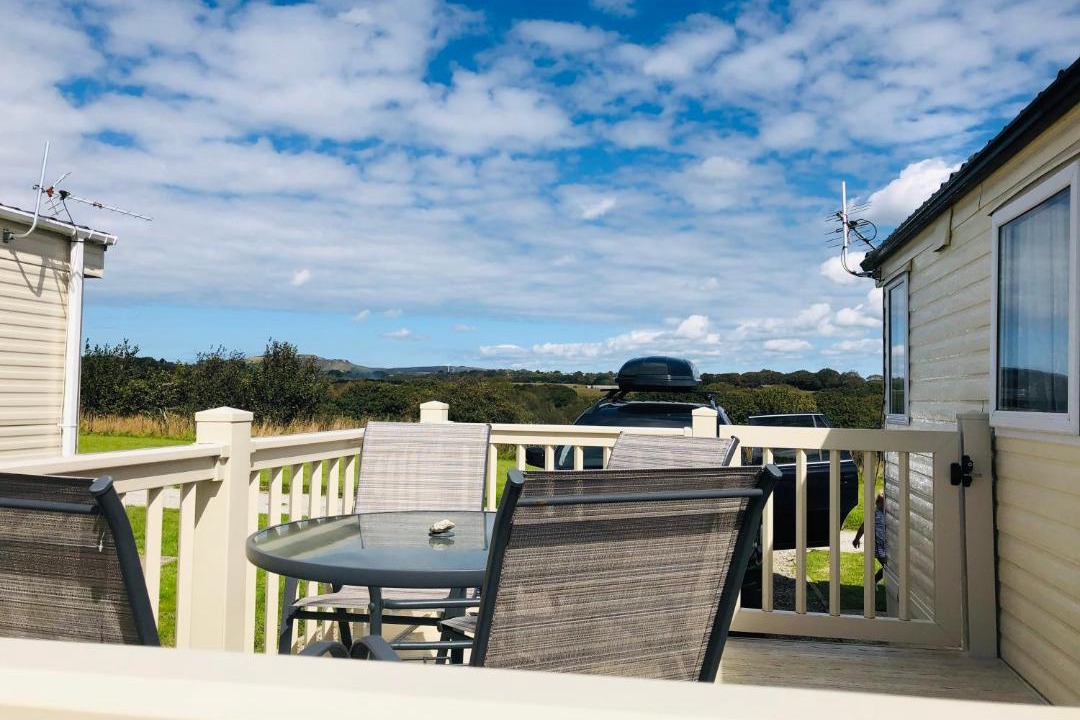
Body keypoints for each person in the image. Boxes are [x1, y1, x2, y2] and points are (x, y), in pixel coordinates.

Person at [853, 492, 886, 583]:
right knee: (888, 566)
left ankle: (874, 581)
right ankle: (873, 581)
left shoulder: (887, 514)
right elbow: (863, 527)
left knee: (888, 567)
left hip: (885, 546)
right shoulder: (874, 514)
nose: (884, 505)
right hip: (878, 547)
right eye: (882, 503)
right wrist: (857, 539)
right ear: (877, 503)